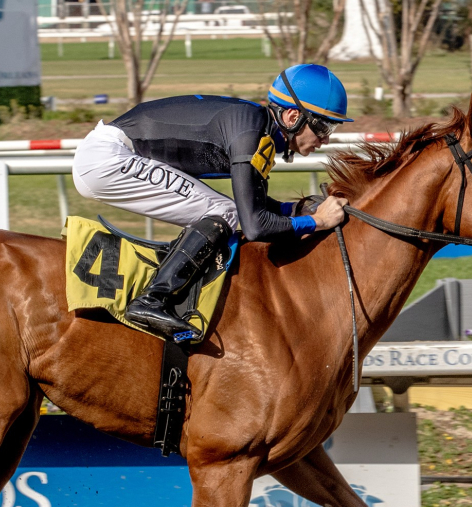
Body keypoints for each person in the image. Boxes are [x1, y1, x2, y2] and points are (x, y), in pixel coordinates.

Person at [71, 63, 352, 341]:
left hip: (111, 155)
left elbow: (252, 202)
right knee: (224, 212)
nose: (326, 139)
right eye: (323, 126)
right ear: (292, 117)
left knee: (226, 210)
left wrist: (294, 209)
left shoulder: (257, 128)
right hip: (107, 159)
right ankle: (152, 299)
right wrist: (318, 221)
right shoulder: (250, 134)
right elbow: (255, 226)